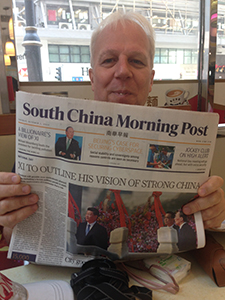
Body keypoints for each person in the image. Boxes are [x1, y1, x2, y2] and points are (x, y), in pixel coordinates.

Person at [0, 10, 225, 253]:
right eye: (109, 60)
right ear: (92, 77)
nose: (122, 71)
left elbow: (200, 224)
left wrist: (214, 215)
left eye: (136, 61)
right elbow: (13, 236)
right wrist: (10, 223)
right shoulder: (45, 137)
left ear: (150, 79)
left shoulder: (183, 141)